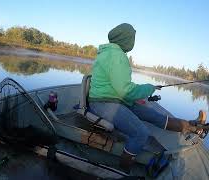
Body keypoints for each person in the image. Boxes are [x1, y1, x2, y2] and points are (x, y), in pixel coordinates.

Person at [88, 23, 207, 173]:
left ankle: (193, 126)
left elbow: (120, 87)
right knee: (140, 134)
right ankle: (122, 171)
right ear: (126, 39)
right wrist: (149, 88)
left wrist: (145, 90)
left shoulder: (110, 53)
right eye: (133, 38)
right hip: (104, 103)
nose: (133, 42)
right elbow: (126, 91)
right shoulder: (117, 56)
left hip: (115, 98)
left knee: (154, 115)